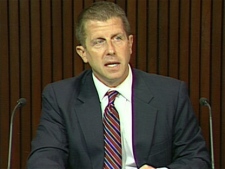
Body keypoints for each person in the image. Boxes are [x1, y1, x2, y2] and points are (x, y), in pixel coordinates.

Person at [27, 1, 210, 169]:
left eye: (117, 38)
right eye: (99, 42)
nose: (111, 50)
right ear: (83, 53)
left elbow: (197, 158)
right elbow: (44, 158)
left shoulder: (170, 94)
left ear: (130, 44)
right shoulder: (61, 97)